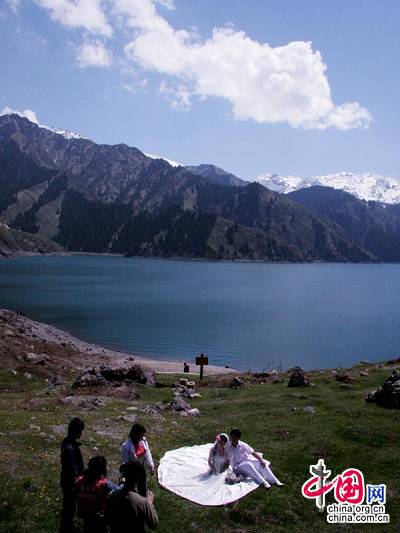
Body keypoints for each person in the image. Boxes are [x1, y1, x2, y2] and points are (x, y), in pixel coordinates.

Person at [106, 462, 158, 533]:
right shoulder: (141, 502)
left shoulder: (112, 495)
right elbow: (153, 524)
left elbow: (108, 519)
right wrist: (149, 504)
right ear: (139, 479)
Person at [76, 455, 118, 533]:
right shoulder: (104, 484)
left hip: (85, 515)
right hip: (99, 518)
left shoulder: (80, 481)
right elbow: (118, 490)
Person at [60, 417, 85, 533]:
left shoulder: (67, 442)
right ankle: (66, 528)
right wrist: (78, 481)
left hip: (66, 481)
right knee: (69, 508)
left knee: (68, 507)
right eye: (80, 431)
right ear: (76, 431)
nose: (81, 433)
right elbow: (72, 468)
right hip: (71, 483)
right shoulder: (70, 449)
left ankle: (66, 527)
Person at [121, 423, 155, 496]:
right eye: (141, 435)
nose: (142, 437)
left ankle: (143, 500)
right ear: (136, 434)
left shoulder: (143, 441)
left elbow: (147, 453)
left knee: (142, 487)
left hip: (141, 468)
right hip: (131, 471)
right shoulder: (126, 447)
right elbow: (125, 462)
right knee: (131, 489)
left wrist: (151, 466)